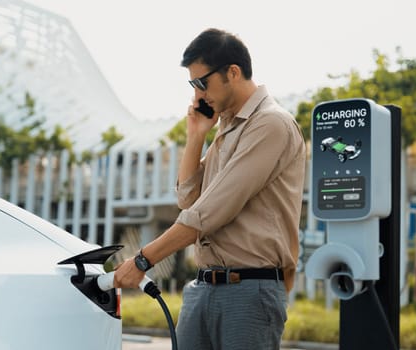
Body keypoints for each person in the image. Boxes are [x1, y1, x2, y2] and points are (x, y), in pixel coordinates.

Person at [114, 28, 306, 349]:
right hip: (203, 287)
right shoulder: (227, 129)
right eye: (193, 85)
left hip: (249, 291)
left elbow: (210, 212)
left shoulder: (270, 124)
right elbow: (188, 199)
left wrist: (142, 260)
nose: (199, 93)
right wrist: (197, 134)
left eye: (202, 82)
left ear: (233, 72)